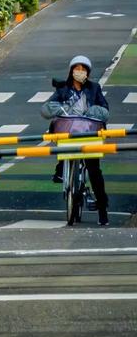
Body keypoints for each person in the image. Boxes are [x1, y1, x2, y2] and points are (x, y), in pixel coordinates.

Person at [42, 54, 109, 226]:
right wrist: (57, 108)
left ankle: (102, 209)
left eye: (83, 69)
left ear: (88, 72)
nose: (79, 72)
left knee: (94, 171)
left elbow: (104, 108)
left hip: (89, 133)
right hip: (68, 132)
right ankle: (61, 170)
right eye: (76, 68)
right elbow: (49, 107)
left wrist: (95, 111)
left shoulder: (94, 88)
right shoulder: (63, 89)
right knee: (63, 152)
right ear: (71, 71)